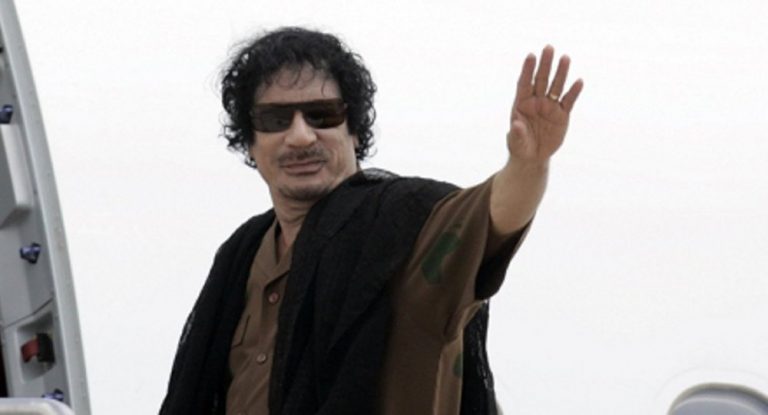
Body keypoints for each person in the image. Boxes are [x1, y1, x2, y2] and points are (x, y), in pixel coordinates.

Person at [160, 27, 583, 415]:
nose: (301, 136)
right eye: (275, 119)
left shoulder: (402, 231)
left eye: (322, 115)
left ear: (355, 130)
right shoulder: (241, 257)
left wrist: (529, 164)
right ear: (251, 142)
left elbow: (491, 216)